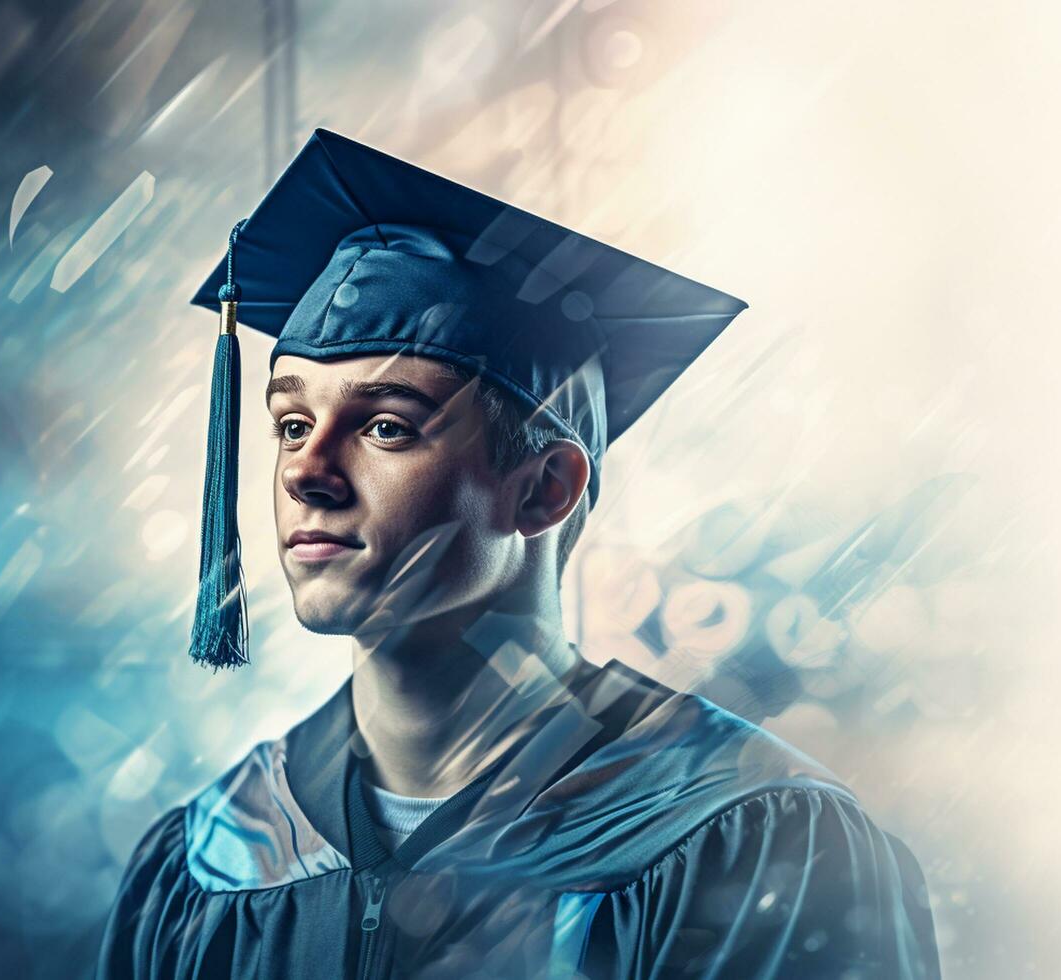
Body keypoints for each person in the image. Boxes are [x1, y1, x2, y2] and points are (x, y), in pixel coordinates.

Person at [96, 129, 940, 979]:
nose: (307, 474)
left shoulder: (754, 839)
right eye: (290, 425)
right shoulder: (209, 861)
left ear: (543, 489)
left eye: (386, 426)